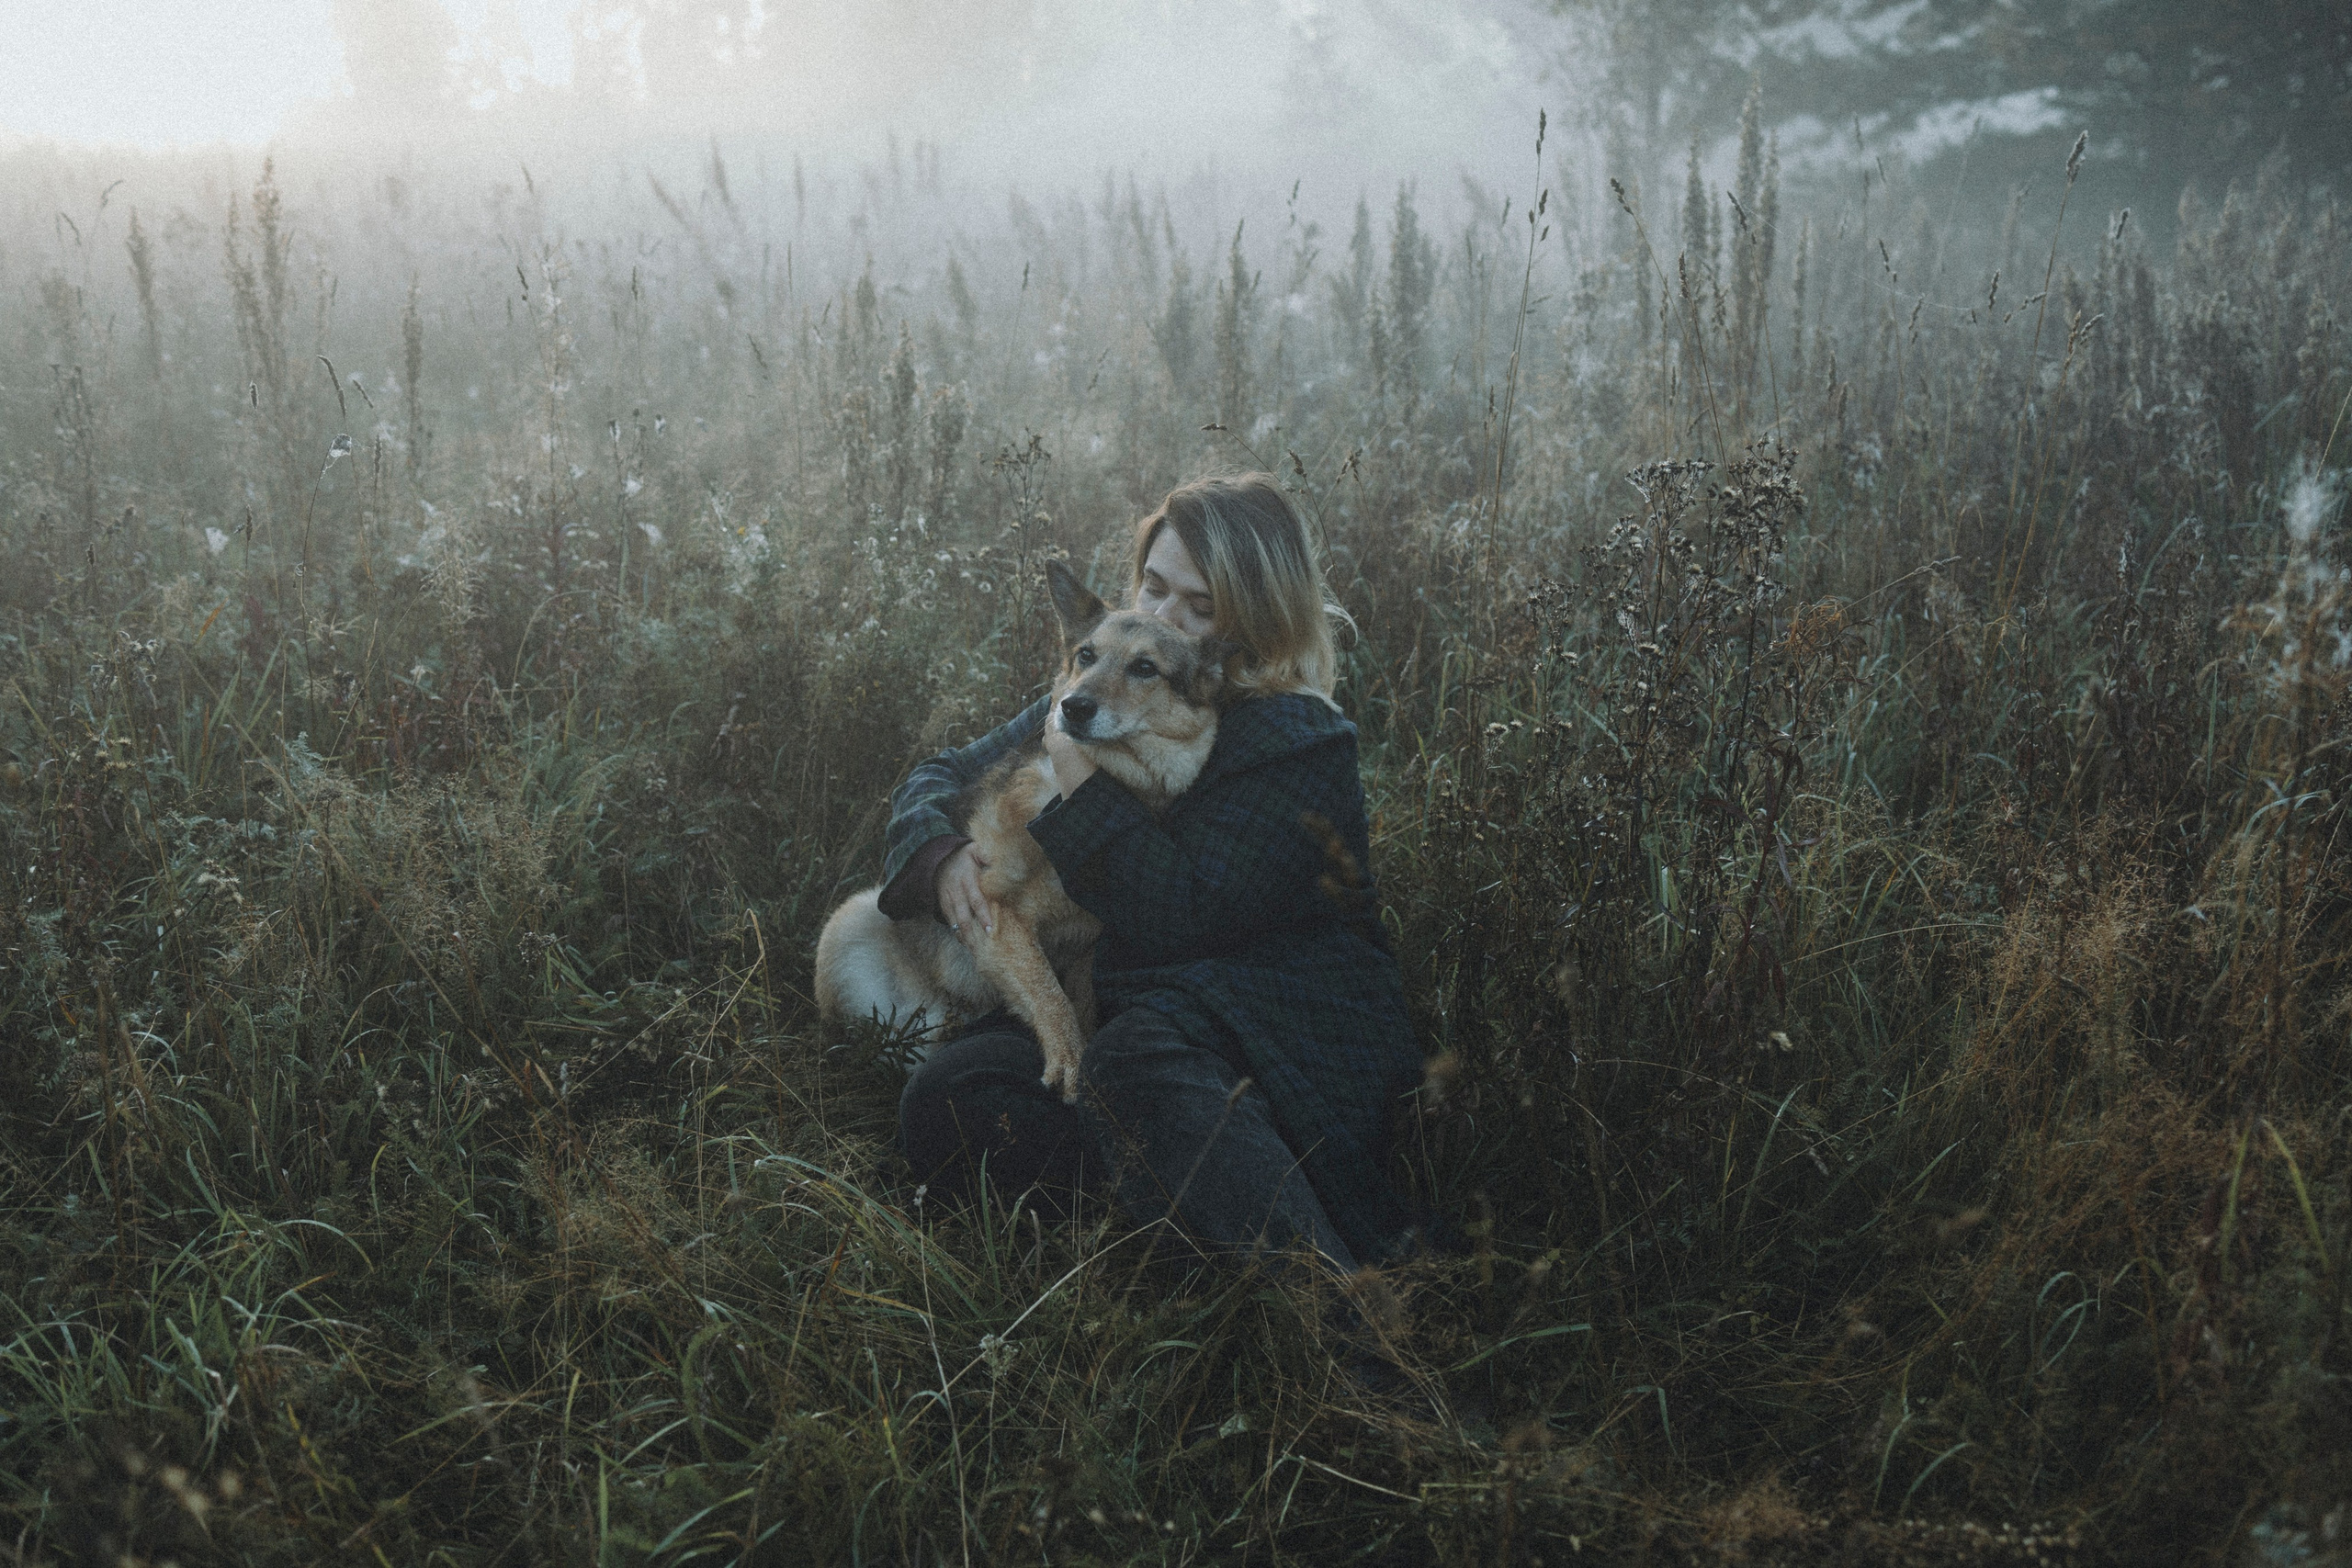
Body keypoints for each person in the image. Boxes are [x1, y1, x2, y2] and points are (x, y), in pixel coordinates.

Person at [880, 473, 1425, 1275]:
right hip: (1140, 1008)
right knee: (949, 1095)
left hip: (1264, 1030)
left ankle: (1334, 1305)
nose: (1163, 618)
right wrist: (942, 856)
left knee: (1132, 1061)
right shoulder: (1108, 677)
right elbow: (942, 770)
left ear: (1256, 618)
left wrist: (1077, 776)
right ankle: (1182, 1234)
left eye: (1198, 608)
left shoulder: (1298, 739)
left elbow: (1181, 909)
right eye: (1154, 586)